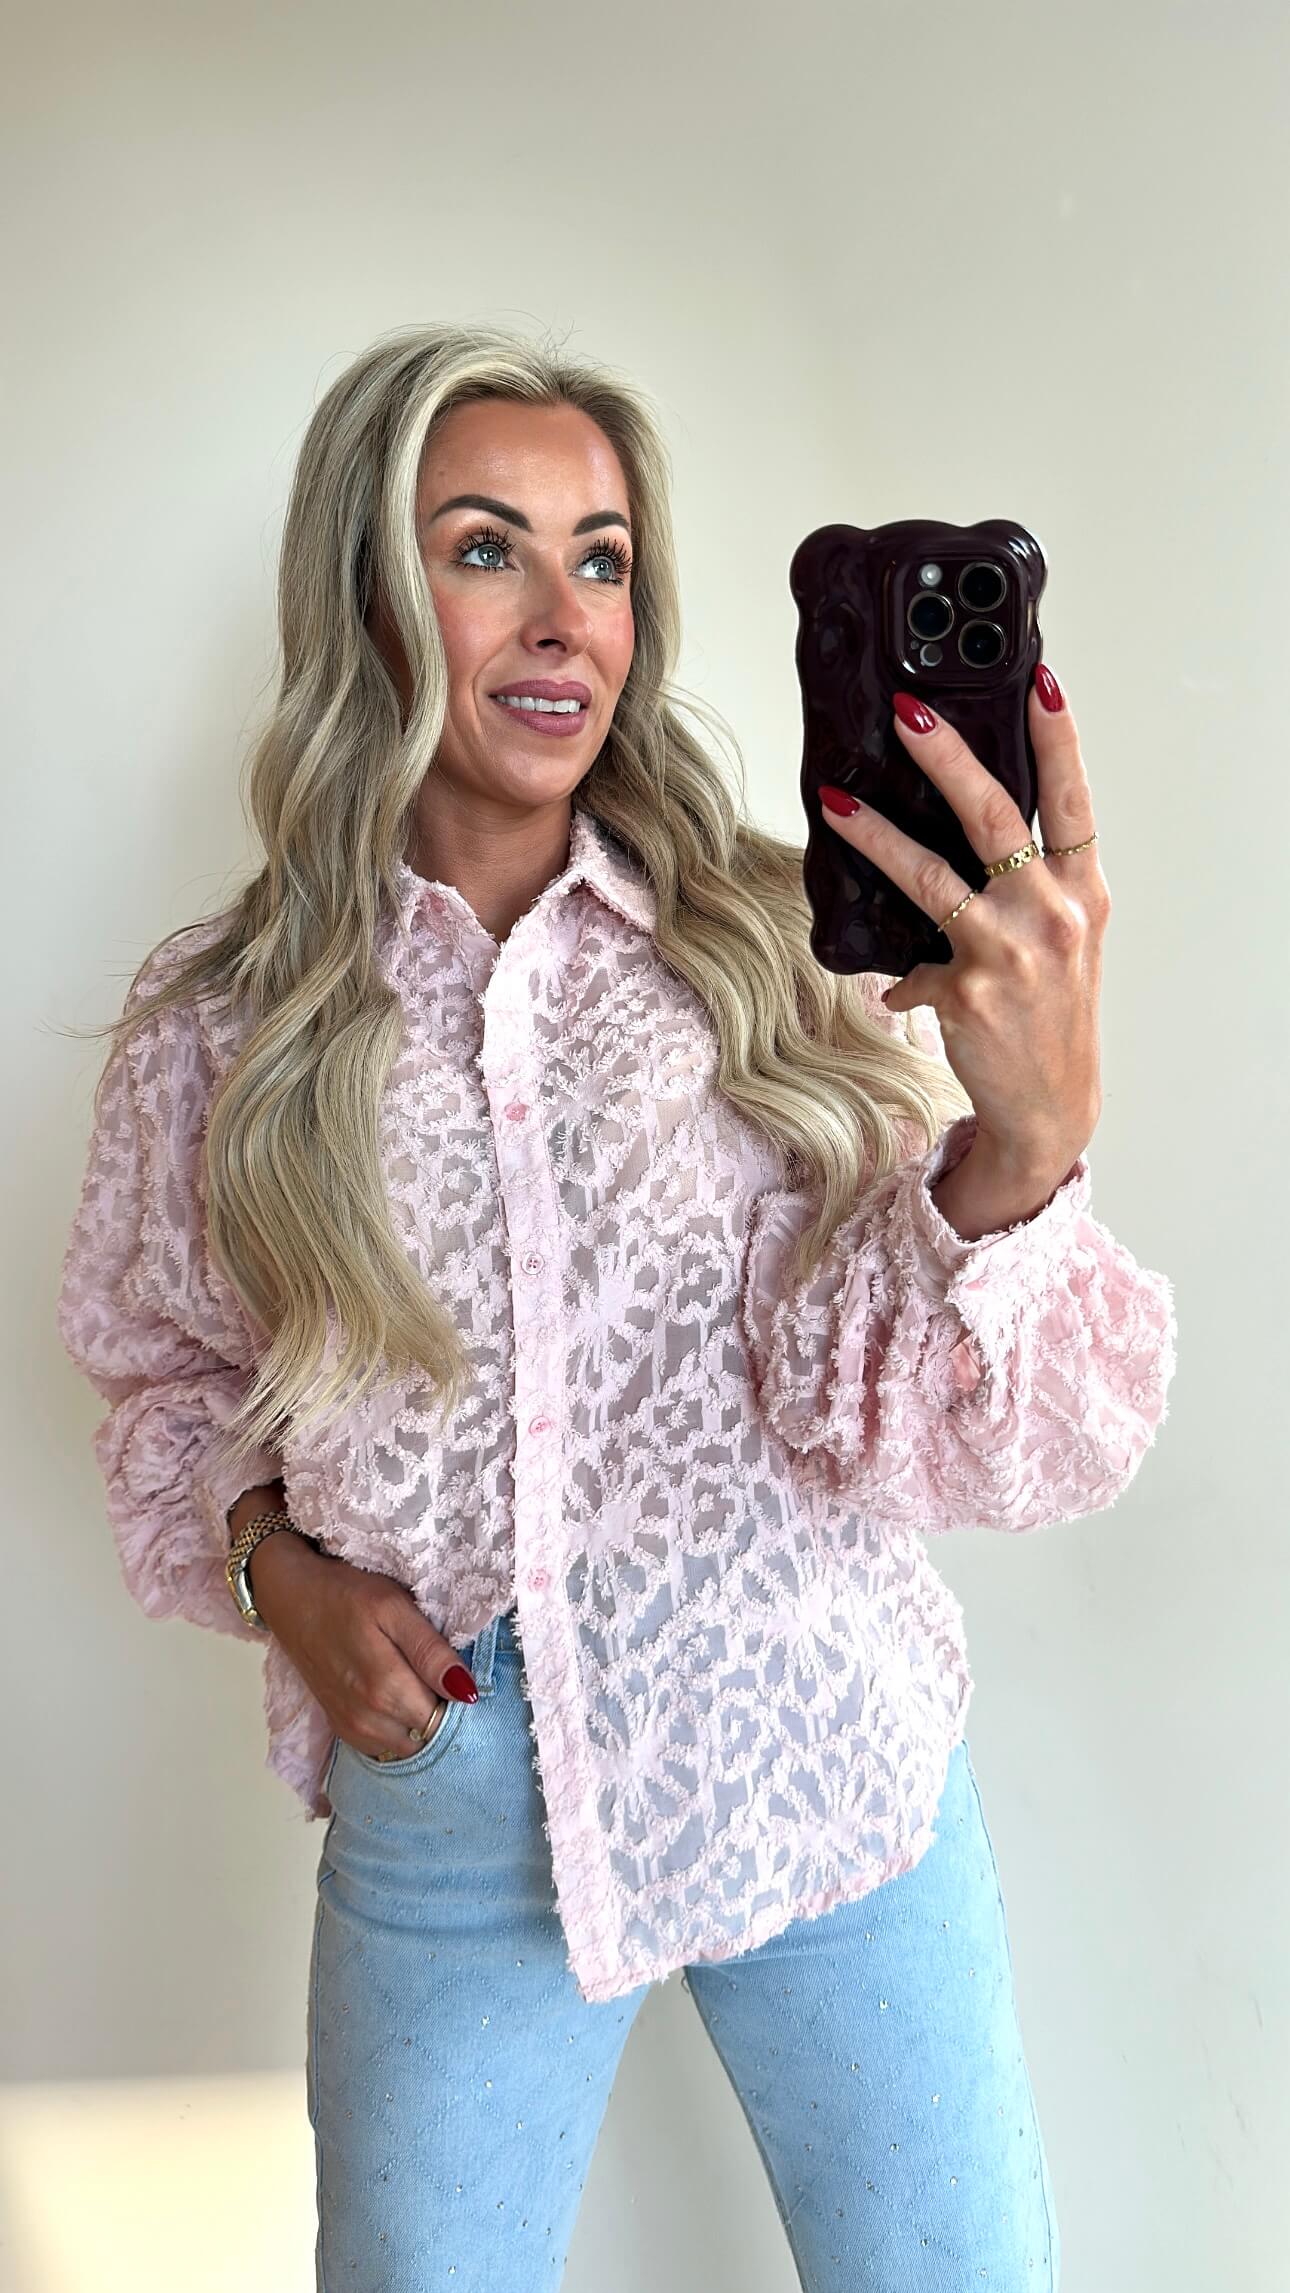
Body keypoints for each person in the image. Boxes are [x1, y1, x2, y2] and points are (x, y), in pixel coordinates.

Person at [57, 321, 1177, 2293]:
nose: (562, 613)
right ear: (368, 591)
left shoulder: (780, 944)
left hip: (819, 1750)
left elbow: (914, 1424)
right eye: (484, 547)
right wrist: (272, 1575)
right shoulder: (221, 1027)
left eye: (602, 556)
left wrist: (1025, 1148)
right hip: (449, 1790)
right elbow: (168, 1378)